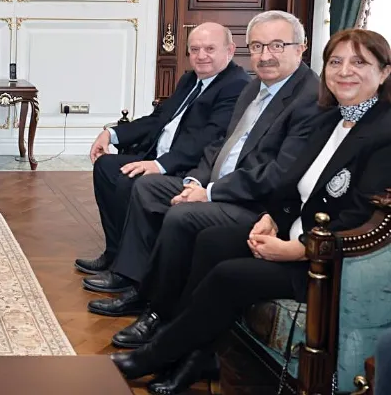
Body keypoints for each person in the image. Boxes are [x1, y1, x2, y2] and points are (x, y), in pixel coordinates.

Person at [111, 28, 391, 394]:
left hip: (327, 262)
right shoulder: (330, 119)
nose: (344, 71)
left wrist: (296, 249)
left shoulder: (384, 133)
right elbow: (293, 185)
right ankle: (196, 357)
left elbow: (361, 219)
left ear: (384, 72)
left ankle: (154, 356)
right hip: (292, 233)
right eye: (335, 62)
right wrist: (272, 219)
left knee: (229, 275)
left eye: (359, 63)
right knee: (211, 241)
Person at [85, 10, 320, 326]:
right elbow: (220, 144)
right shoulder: (254, 87)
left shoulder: (307, 98)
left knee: (179, 213)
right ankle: (133, 277)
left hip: (256, 202)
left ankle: (157, 311)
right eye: (257, 47)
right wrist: (195, 182)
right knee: (147, 187)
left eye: (277, 46)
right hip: (214, 180)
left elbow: (278, 173)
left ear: (300, 48)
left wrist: (207, 192)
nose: (265, 56)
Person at [76, 22, 249, 275]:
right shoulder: (190, 79)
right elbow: (159, 119)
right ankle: (114, 253)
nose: (201, 56)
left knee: (128, 180)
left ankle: (130, 270)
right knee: (106, 166)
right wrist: (111, 134)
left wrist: (159, 165)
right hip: (158, 156)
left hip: (188, 169)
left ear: (230, 50)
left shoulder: (236, 85)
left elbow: (209, 139)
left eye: (210, 49)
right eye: (195, 49)